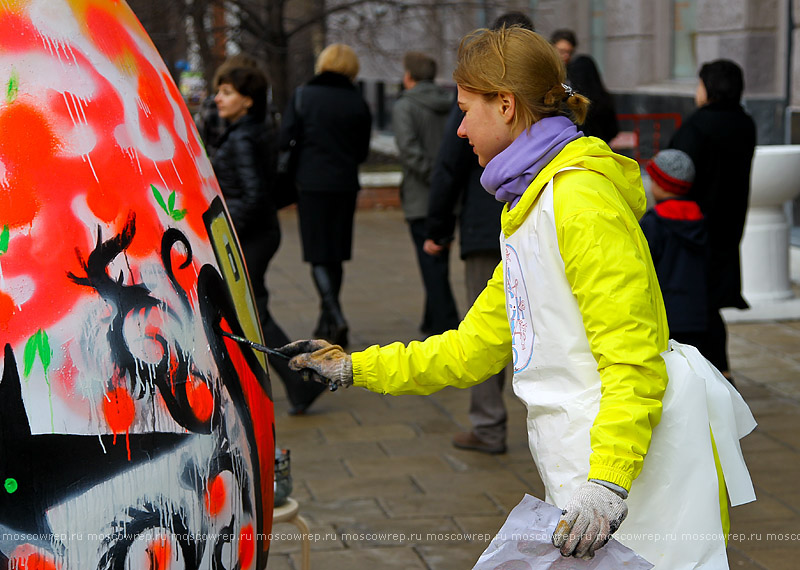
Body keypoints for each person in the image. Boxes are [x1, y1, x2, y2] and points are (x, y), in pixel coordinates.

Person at [278, 27, 754, 567]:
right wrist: (353, 369)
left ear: (505, 105)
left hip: (636, 474)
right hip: (593, 470)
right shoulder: (529, 201)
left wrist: (608, 484)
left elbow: (632, 358)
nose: (458, 129)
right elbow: (470, 349)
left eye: (465, 110)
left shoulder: (578, 198)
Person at [424, 12, 535, 455]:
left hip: (483, 232)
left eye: (468, 113)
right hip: (490, 230)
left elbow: (447, 168)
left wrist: (437, 228)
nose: (462, 127)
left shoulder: (567, 195)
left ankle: (489, 425)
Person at [211, 64, 325, 415]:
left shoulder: (243, 137)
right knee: (253, 309)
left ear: (247, 101)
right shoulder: (248, 130)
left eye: (227, 92)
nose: (218, 98)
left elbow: (254, 195)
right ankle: (298, 381)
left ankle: (300, 381)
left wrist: (229, 231)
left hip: (252, 234)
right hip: (260, 231)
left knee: (254, 310)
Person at [279, 44, 372, 348]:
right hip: (344, 185)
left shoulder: (304, 95)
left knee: (318, 253)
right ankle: (327, 320)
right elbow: (361, 151)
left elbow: (285, 137)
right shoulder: (358, 101)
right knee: (335, 253)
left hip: (312, 184)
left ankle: (335, 312)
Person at [669, 59, 757, 381]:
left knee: (695, 304)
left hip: (693, 226)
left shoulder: (697, 125)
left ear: (710, 87)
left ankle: (705, 373)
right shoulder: (745, 123)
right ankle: (721, 369)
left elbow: (677, 170)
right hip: (729, 222)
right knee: (711, 302)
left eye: (700, 83)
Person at [393, 51, 459, 336]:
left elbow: (409, 151)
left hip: (421, 198)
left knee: (431, 266)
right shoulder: (452, 104)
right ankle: (431, 322)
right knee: (438, 263)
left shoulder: (405, 107)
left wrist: (434, 178)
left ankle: (446, 327)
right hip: (450, 196)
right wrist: (445, 180)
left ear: (409, 76)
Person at [640, 149, 709, 350]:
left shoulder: (654, 222)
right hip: (697, 314)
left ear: (661, 184)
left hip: (666, 313)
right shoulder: (700, 218)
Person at [567, 55, 619, 143]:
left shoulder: (572, 101)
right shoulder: (604, 98)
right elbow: (613, 130)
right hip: (600, 147)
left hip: (578, 149)